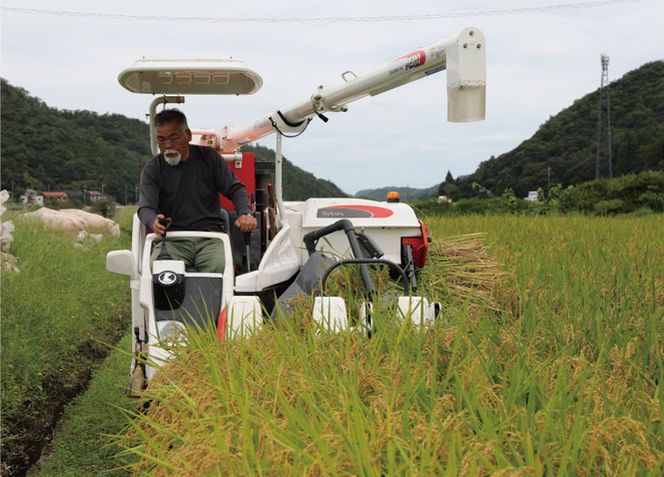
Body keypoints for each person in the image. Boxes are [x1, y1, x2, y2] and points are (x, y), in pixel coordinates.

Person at [138, 109, 257, 273]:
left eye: (173, 138)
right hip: (172, 240)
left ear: (187, 135)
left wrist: (245, 212)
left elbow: (235, 188)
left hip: (209, 238)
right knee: (162, 271)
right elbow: (145, 206)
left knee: (221, 268)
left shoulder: (209, 158)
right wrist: (152, 221)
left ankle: (216, 300)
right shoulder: (152, 169)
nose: (167, 146)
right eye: (161, 140)